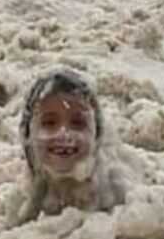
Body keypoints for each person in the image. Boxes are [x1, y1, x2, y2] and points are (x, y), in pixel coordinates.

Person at [14, 68, 127, 225]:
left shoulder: (118, 196)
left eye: (78, 123)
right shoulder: (20, 201)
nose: (64, 134)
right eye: (49, 123)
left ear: (97, 136)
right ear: (27, 136)